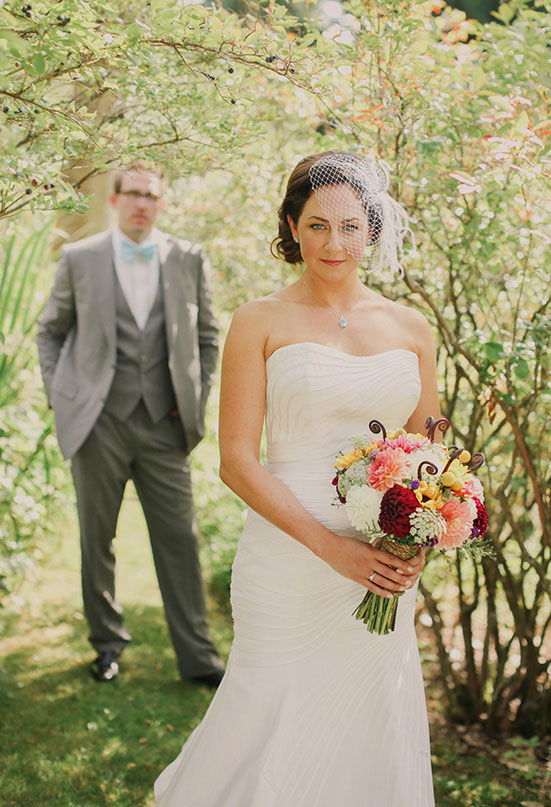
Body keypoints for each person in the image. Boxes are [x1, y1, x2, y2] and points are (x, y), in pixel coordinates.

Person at [154, 151, 439, 805]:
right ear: (290, 226)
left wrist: (415, 543)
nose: (331, 243)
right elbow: (236, 459)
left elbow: (430, 454)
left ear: (370, 228)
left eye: (346, 225)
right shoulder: (259, 320)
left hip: (383, 563)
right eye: (314, 225)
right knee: (267, 701)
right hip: (287, 555)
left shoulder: (410, 328)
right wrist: (330, 546)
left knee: (366, 710)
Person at [36, 160, 224, 688]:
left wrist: (196, 399)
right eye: (132, 193)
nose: (142, 202)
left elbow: (207, 337)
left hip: (165, 426)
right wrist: (63, 397)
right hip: (98, 424)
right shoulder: (80, 259)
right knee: (98, 540)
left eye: (151, 195)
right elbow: (50, 332)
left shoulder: (188, 258)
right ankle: (107, 646)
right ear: (115, 199)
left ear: (162, 203)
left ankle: (199, 658)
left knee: (180, 542)